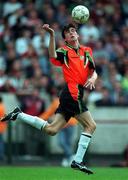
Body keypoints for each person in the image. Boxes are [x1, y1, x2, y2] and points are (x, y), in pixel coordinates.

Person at [0, 23, 97, 174]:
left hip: (72, 94)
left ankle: (19, 114)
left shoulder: (87, 51)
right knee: (91, 126)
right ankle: (77, 161)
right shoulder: (64, 51)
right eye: (67, 32)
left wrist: (93, 79)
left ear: (77, 34)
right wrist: (51, 36)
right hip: (72, 93)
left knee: (51, 130)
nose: (71, 33)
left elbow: (93, 71)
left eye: (73, 30)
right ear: (65, 38)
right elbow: (52, 55)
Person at [39, 94, 77, 167]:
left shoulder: (68, 101)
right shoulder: (56, 102)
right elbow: (49, 113)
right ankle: (71, 156)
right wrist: (38, 119)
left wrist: (37, 119)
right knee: (62, 142)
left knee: (68, 143)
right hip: (62, 126)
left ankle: (66, 159)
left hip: (70, 124)